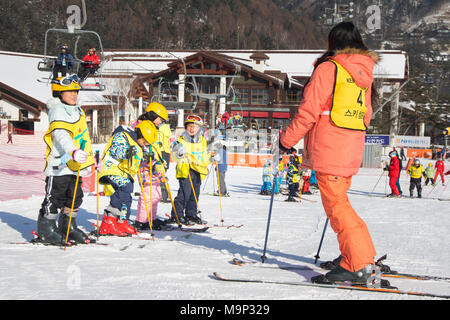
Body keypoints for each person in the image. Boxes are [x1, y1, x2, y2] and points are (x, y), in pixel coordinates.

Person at [279, 22, 379, 285]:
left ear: (333, 42)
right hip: (349, 147)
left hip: (329, 148)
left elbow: (308, 112)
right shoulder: (364, 73)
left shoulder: (330, 68)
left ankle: (357, 264)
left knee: (338, 208)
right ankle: (360, 256)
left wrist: (286, 141)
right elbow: (367, 114)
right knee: (341, 204)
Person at [38, 75, 94, 245]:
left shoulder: (78, 110)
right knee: (55, 196)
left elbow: (82, 136)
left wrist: (88, 158)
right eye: (69, 91)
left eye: (75, 91)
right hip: (60, 163)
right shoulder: (58, 110)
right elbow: (60, 134)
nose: (73, 94)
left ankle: (68, 226)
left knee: (75, 196)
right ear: (59, 93)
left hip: (75, 164)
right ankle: (46, 228)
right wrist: (73, 151)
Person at [98, 120, 158, 236]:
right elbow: (116, 151)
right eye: (145, 141)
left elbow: (138, 156)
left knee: (127, 197)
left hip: (124, 173)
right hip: (112, 168)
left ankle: (122, 221)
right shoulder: (123, 135)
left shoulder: (138, 144)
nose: (145, 144)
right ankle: (108, 221)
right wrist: (126, 153)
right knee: (124, 189)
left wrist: (149, 159)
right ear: (140, 134)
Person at [169, 114, 211, 225]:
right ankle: (177, 215)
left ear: (199, 128)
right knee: (184, 193)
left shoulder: (202, 141)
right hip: (186, 169)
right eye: (189, 126)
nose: (192, 129)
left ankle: (191, 214)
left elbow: (204, 156)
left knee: (194, 194)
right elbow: (174, 156)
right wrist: (179, 154)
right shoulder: (181, 140)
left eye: (195, 126)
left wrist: (211, 157)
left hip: (197, 170)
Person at [133, 102, 170, 230]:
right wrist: (151, 160)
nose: (160, 122)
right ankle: (141, 220)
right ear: (153, 114)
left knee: (156, 193)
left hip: (154, 164)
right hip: (145, 165)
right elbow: (141, 145)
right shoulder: (141, 126)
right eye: (160, 119)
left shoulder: (153, 127)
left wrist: (159, 161)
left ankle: (151, 218)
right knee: (148, 193)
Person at [157, 122, 172, 202]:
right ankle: (163, 195)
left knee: (160, 174)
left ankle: (163, 195)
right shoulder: (165, 129)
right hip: (165, 152)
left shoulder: (159, 130)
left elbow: (158, 141)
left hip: (160, 152)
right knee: (161, 174)